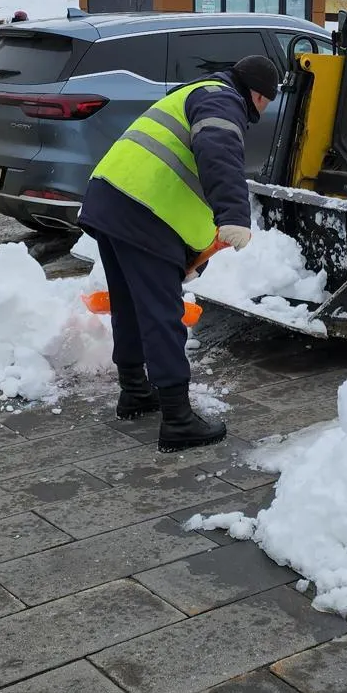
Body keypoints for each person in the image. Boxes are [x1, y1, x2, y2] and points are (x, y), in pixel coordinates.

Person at [79, 55, 282, 452]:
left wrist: (188, 258)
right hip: (142, 212)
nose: (263, 110)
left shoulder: (194, 91)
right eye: (266, 102)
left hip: (113, 201)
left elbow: (182, 179)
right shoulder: (222, 100)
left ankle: (135, 392)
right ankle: (177, 419)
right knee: (161, 314)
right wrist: (235, 214)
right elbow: (218, 148)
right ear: (258, 95)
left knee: (131, 305)